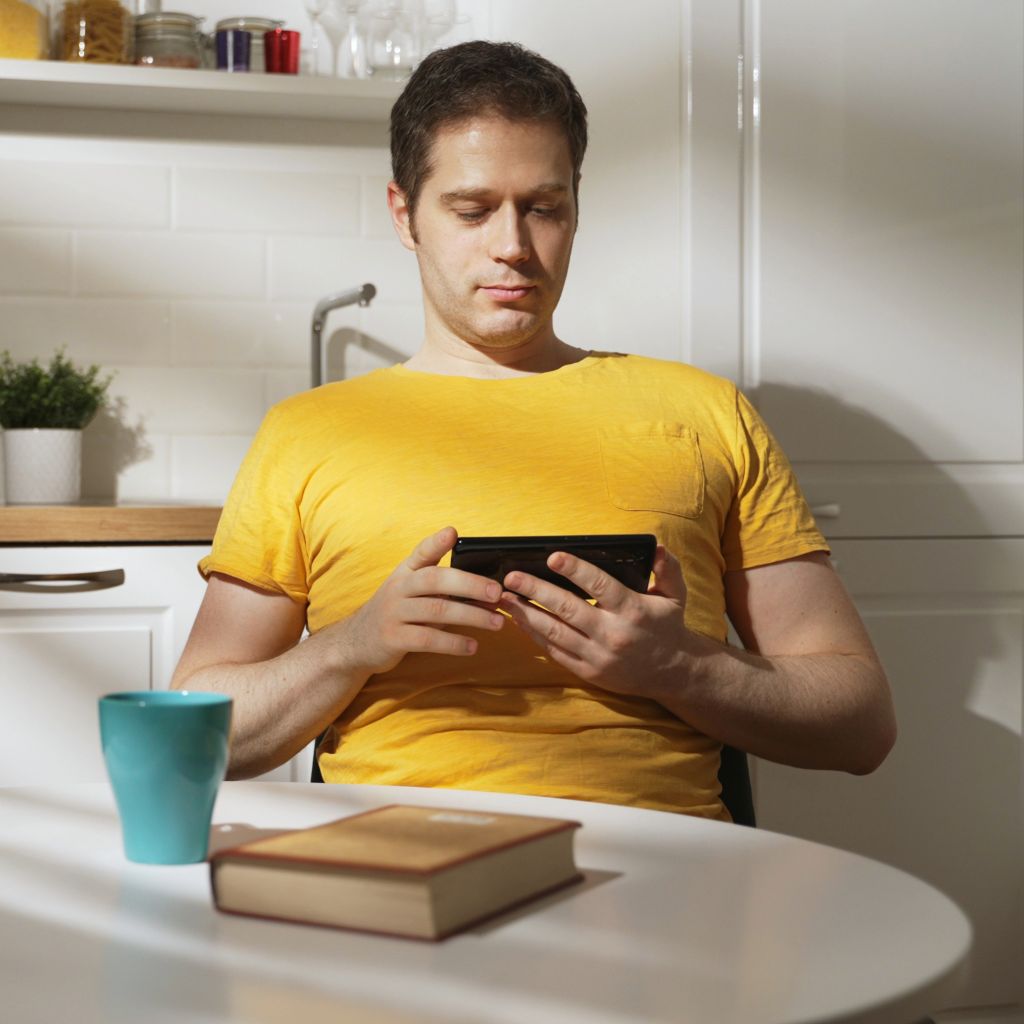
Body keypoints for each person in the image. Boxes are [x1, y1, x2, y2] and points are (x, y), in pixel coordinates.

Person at [171, 40, 896, 820]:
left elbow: (861, 727)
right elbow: (188, 734)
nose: (513, 247)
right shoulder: (307, 435)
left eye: (544, 208)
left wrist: (680, 666)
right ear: (403, 213)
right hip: (400, 876)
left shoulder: (705, 414)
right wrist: (353, 646)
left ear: (576, 205)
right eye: (473, 210)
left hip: (665, 880)